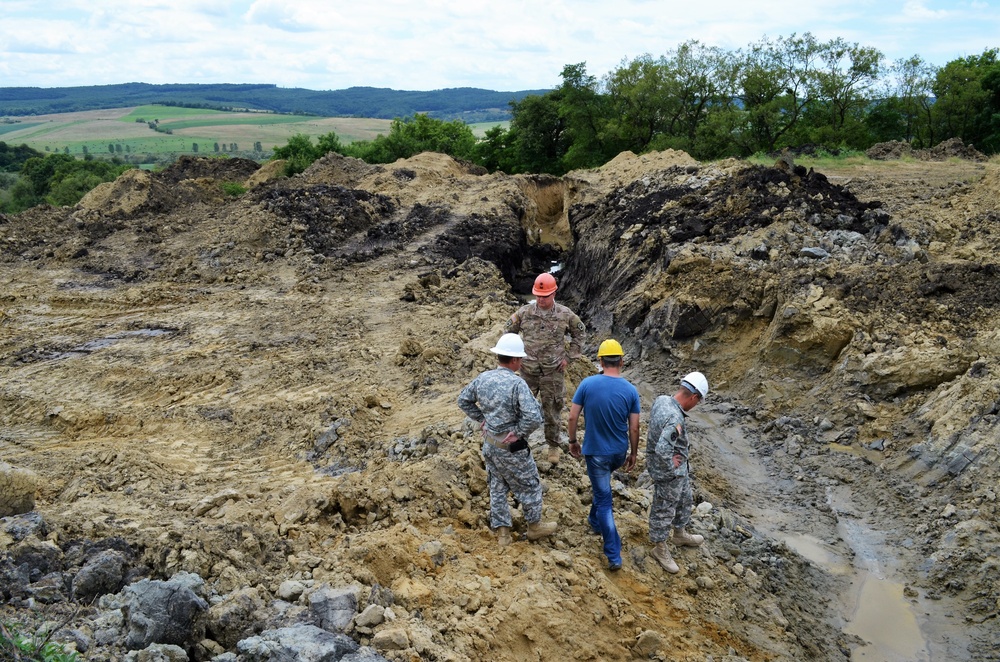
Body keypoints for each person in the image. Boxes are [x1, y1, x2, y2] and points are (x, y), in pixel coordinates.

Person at [457, 333, 558, 547]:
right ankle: (534, 527)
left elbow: (463, 400)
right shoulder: (517, 384)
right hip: (511, 447)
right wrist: (519, 432)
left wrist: (481, 419)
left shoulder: (483, 378)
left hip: (490, 445)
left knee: (497, 485)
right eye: (520, 359)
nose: (521, 362)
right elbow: (533, 417)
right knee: (530, 485)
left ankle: (503, 533)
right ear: (514, 360)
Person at [567, 339, 640, 571]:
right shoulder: (630, 390)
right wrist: (634, 453)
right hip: (618, 452)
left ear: (599, 361)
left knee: (605, 500)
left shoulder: (587, 384)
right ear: (622, 361)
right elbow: (634, 428)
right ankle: (593, 521)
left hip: (596, 453)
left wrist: (572, 441)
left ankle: (613, 554)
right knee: (602, 490)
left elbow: (572, 417)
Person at [505, 272, 587, 465]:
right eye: (538, 295)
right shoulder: (524, 313)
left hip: (553, 373)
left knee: (552, 411)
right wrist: (515, 356)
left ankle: (553, 446)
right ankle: (517, 441)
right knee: (520, 408)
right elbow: (507, 332)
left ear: (554, 294)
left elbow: (580, 334)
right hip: (528, 371)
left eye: (545, 296)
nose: (540, 299)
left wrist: (569, 357)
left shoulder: (565, 314)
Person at [646, 371, 709, 574]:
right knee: (664, 508)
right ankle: (660, 548)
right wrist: (671, 469)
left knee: (685, 499)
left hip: (677, 471)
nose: (695, 406)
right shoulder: (675, 419)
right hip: (669, 473)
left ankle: (680, 533)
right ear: (694, 397)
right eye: (697, 402)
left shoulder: (663, 400)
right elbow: (663, 450)